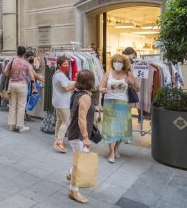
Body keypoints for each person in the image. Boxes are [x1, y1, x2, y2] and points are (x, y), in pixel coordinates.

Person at [99, 54, 140, 163]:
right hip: (109, 103)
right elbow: (101, 86)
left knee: (121, 128)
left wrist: (131, 82)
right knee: (110, 128)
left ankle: (117, 148)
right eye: (115, 61)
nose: (117, 63)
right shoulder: (108, 73)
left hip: (123, 104)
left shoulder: (128, 74)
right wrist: (102, 90)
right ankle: (112, 152)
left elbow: (137, 89)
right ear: (112, 62)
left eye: (120, 61)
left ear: (124, 64)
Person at [66, 69, 96, 204]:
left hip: (73, 132)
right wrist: (85, 137)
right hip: (78, 134)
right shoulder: (85, 97)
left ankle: (71, 174)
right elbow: (81, 119)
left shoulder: (77, 92)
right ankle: (74, 191)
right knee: (80, 163)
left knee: (78, 159)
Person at [5, 46, 37, 133]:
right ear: (24, 53)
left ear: (17, 52)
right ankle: (20, 126)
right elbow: (31, 77)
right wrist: (34, 88)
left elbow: (6, 73)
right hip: (22, 85)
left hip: (12, 85)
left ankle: (11, 125)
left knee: (12, 105)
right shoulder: (26, 63)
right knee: (21, 106)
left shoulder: (12, 61)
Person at [52, 55, 75, 153]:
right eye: (65, 64)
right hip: (62, 102)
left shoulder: (57, 73)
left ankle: (57, 138)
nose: (67, 66)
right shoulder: (60, 75)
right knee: (66, 121)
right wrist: (75, 85)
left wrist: (73, 82)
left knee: (59, 121)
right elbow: (66, 88)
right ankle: (59, 142)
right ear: (59, 65)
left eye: (67, 64)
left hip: (58, 101)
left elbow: (67, 82)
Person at [24, 50, 44, 121]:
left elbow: (35, 74)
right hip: (26, 84)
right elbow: (34, 75)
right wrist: (43, 80)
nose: (32, 58)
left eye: (33, 57)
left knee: (25, 100)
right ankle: (24, 116)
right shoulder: (27, 64)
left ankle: (25, 115)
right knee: (24, 100)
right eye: (31, 57)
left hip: (27, 83)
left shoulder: (27, 63)